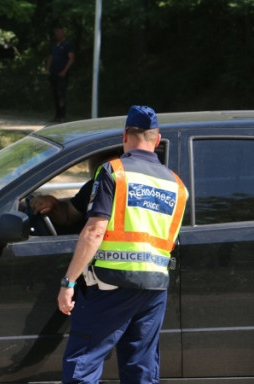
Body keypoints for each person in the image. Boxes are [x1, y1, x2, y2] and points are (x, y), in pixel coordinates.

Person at [57, 106, 188, 383]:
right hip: (154, 287)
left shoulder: (114, 171)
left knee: (84, 363)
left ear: (125, 134)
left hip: (110, 284)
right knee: (141, 368)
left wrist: (69, 282)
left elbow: (94, 231)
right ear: (156, 138)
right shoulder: (176, 184)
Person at [28, 152, 120, 235]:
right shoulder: (94, 186)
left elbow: (96, 232)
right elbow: (69, 215)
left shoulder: (125, 187)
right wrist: (53, 205)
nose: (97, 162)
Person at [46, 25, 75, 123]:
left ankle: (62, 116)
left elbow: (71, 58)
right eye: (56, 33)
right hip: (53, 72)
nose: (57, 34)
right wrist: (48, 67)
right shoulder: (54, 45)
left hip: (62, 73)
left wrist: (64, 71)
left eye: (59, 32)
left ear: (63, 33)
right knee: (54, 94)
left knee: (61, 94)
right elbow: (51, 56)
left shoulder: (67, 44)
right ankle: (57, 115)